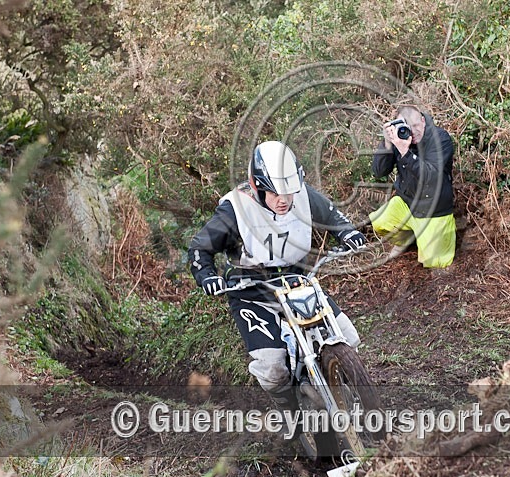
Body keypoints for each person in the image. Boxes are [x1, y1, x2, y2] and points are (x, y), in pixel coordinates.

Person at [188, 140, 367, 417]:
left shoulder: (302, 195)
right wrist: (207, 276)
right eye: (274, 193)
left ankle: (342, 390)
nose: (284, 200)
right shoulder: (235, 209)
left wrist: (347, 232)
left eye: (289, 192)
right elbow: (200, 248)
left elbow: (332, 214)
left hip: (297, 280)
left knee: (349, 338)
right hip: (251, 288)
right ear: (257, 186)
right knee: (272, 367)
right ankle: (289, 412)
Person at [370, 105, 456, 268]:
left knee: (437, 264)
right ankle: (405, 240)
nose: (414, 131)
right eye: (409, 127)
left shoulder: (440, 138)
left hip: (434, 209)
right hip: (407, 203)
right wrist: (387, 143)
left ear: (423, 120)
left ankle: (426, 237)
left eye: (417, 126)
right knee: (380, 222)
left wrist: (405, 153)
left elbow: (431, 177)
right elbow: (379, 171)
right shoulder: (399, 138)